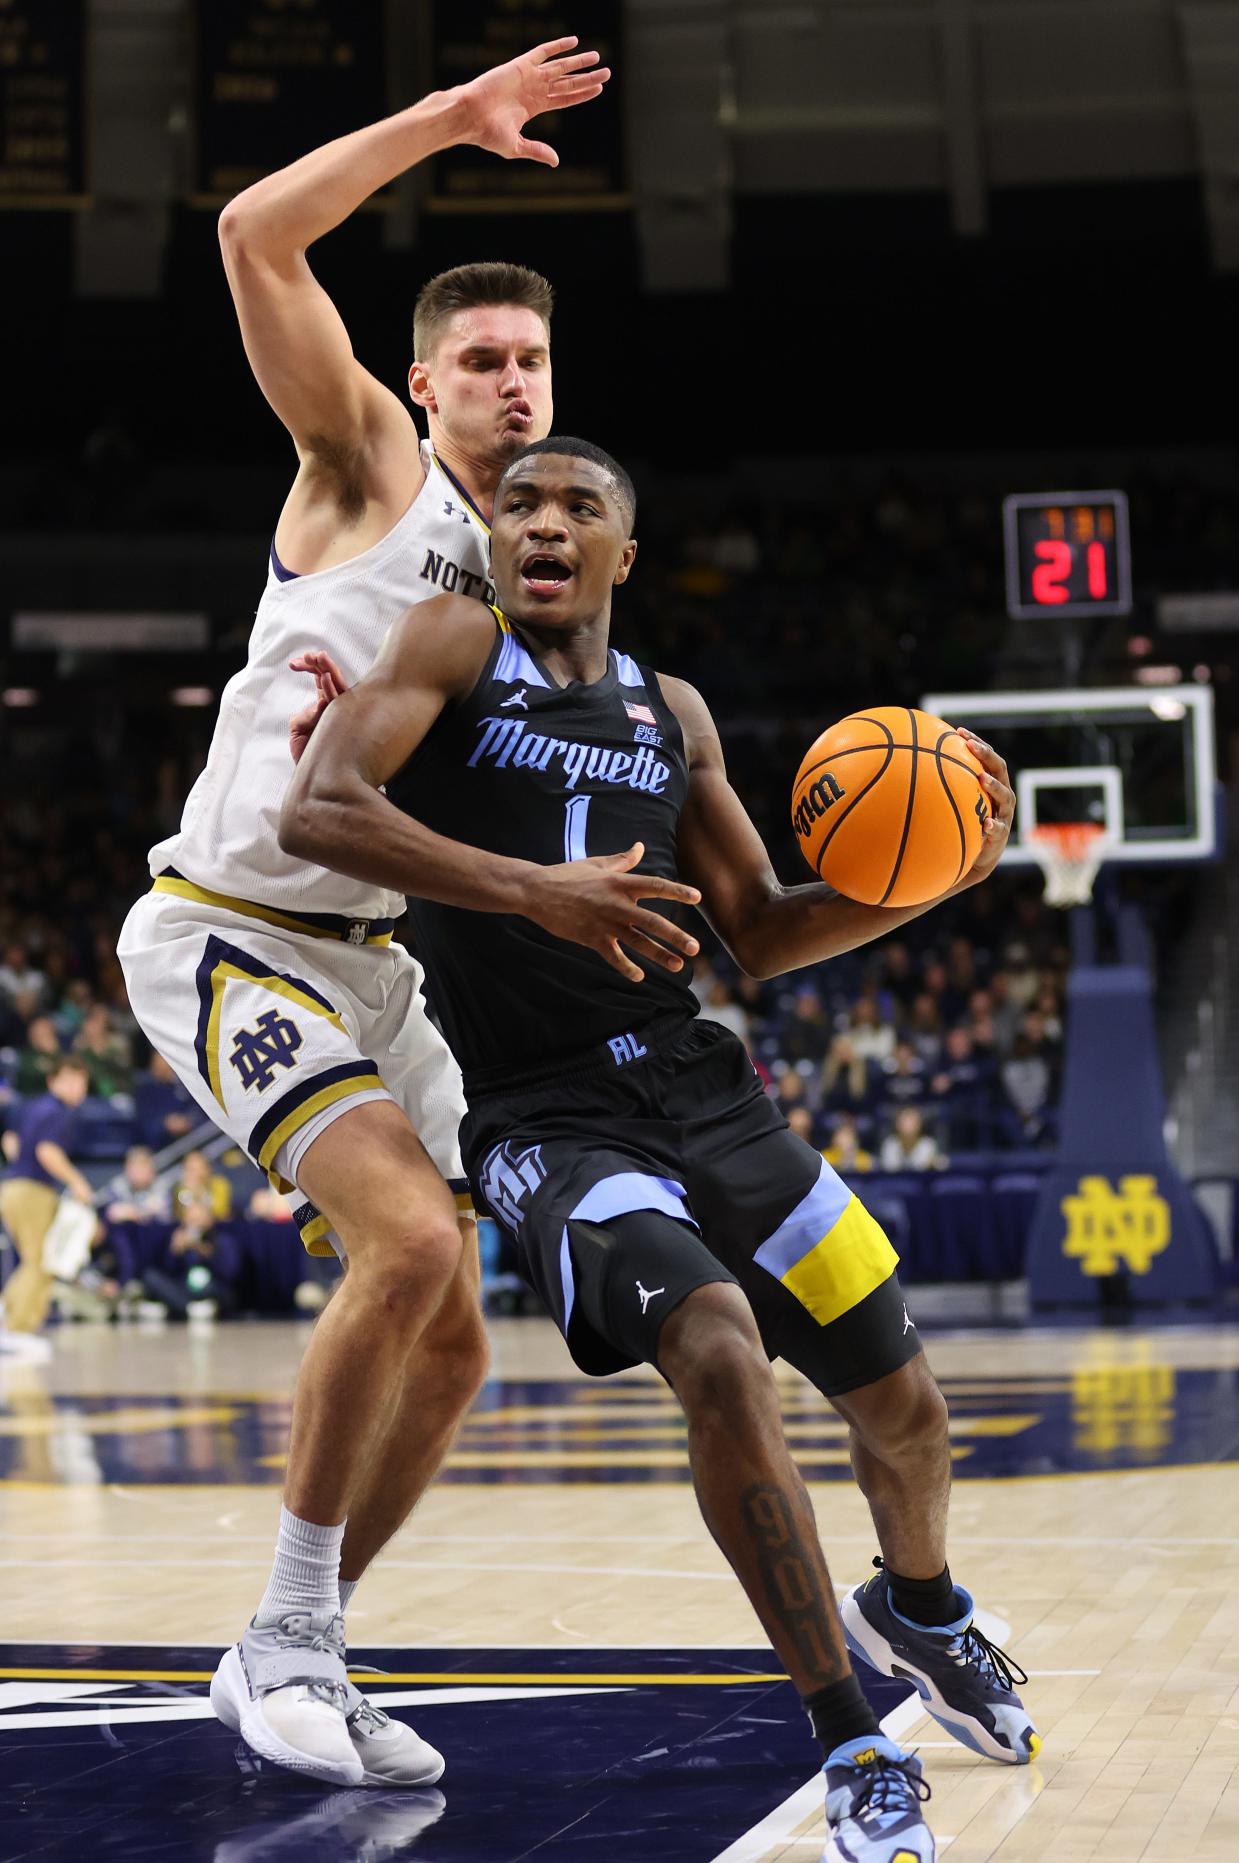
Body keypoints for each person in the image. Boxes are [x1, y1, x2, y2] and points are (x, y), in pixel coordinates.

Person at [282, 438, 1037, 1862]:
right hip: (545, 1113)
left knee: (905, 1405)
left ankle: (921, 1606)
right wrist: (531, 891)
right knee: (713, 1341)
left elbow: (752, 927)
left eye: (579, 509)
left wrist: (931, 878)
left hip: (707, 1092)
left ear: (625, 555)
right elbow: (318, 807)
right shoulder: (450, 639)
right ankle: (848, 1738)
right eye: (519, 506)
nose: (543, 524)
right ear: (496, 542)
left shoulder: (667, 707)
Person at [115, 36, 630, 1792]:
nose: (506, 380)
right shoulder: (363, 471)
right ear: (417, 383)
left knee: (462, 1326)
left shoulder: (523, 573)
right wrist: (446, 124)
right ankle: (285, 1635)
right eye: (476, 358)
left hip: (376, 960)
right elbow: (257, 233)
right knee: (406, 1245)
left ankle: (288, 1641)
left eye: (529, 360)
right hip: (231, 924)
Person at [0, 1057, 93, 1337]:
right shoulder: (58, 1112)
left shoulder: (34, 1107)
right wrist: (78, 1183)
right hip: (32, 1191)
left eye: (81, 1081)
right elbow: (47, 1151)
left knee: (34, 1261)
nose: (77, 1087)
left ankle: (11, 1321)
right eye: (69, 1080)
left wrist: (20, 1168)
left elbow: (10, 1139)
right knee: (41, 1263)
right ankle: (16, 1331)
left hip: (14, 1187)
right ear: (52, 1081)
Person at [879, 1106, 947, 1173]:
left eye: (912, 1121)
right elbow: (890, 1170)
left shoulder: (928, 1143)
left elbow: (922, 1169)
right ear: (897, 1124)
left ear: (919, 1124)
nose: (908, 1125)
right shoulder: (890, 1143)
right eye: (904, 1121)